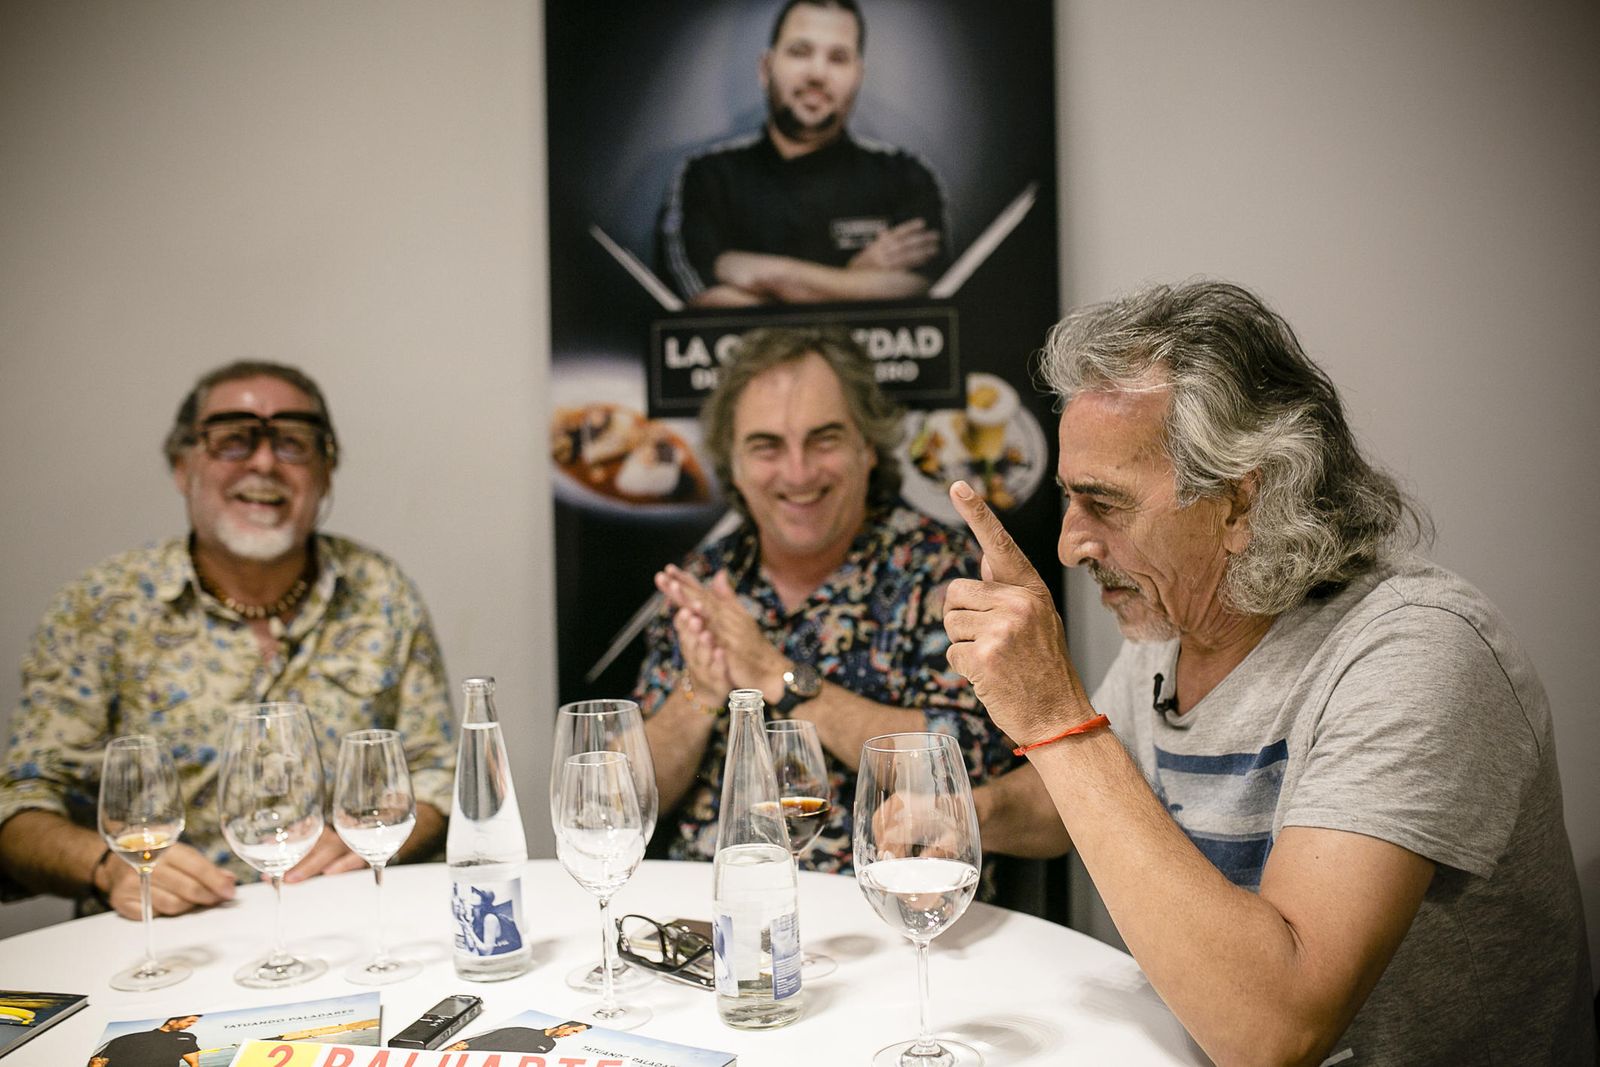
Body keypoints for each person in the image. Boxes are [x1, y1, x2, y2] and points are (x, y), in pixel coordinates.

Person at [943, 281, 1596, 1064]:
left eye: (1104, 503)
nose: (1070, 544)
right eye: (1069, 501)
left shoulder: (1418, 653)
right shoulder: (1171, 617)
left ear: (1239, 503)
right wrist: (963, 815)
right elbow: (1091, 796)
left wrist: (1053, 717)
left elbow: (1277, 1031)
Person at [0, 361, 455, 921]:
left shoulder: (380, 591)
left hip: (350, 924)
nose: (264, 462)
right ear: (181, 466)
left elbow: (438, 774)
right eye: (233, 440)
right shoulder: (102, 607)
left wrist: (376, 843)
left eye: (292, 442)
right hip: (168, 939)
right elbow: (20, 805)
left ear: (327, 470)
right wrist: (109, 865)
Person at [636, 327, 1013, 876]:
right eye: (766, 447)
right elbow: (632, 802)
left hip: (893, 912)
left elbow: (973, 767)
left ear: (867, 448)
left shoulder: (944, 572)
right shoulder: (705, 579)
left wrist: (777, 675)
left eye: (825, 439)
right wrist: (701, 689)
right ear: (734, 467)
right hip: (709, 915)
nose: (797, 472)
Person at [657, 0, 949, 306]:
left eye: (838, 58)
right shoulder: (705, 178)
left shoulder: (906, 177)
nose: (818, 73)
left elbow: (920, 294)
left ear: (858, 75)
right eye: (800, 52)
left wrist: (775, 276)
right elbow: (707, 305)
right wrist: (855, 280)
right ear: (766, 68)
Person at [87, 1014, 202, 1067]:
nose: (191, 1024)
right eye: (189, 1021)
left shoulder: (187, 1038)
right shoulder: (125, 1040)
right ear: (172, 1021)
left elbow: (194, 1064)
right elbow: (97, 1062)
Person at [447, 1020, 590, 1054]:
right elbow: (488, 1038)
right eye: (574, 1031)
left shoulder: (550, 1046)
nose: (570, 1035)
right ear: (565, 1026)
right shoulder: (520, 1030)